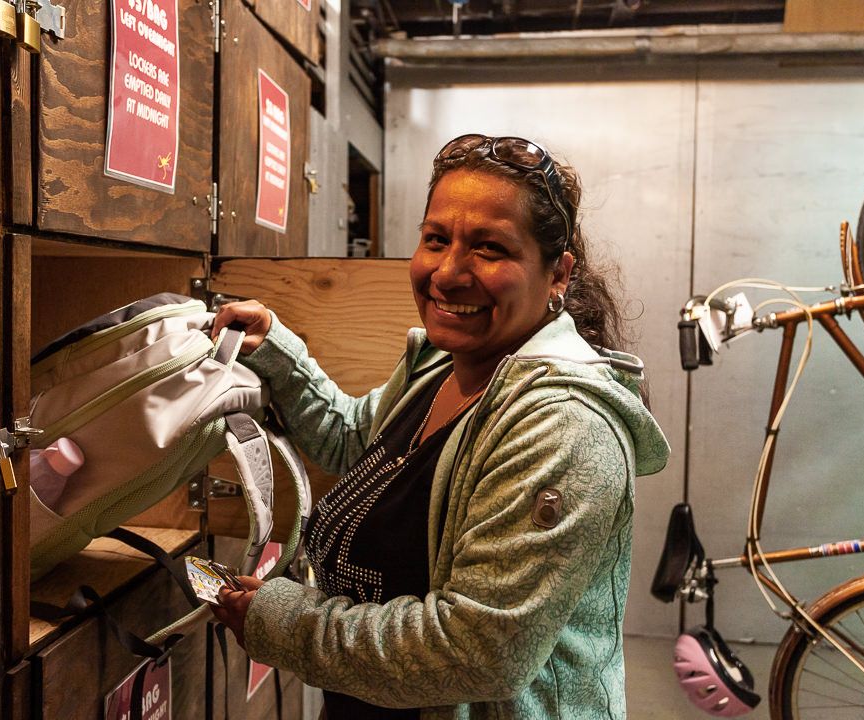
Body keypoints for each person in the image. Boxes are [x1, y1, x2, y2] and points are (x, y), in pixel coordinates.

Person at [210, 133, 670, 719]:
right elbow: (355, 444)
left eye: (489, 249)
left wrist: (283, 622)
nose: (448, 273)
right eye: (436, 239)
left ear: (557, 275)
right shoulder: (442, 368)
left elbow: (477, 651)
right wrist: (276, 349)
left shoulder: (564, 428)